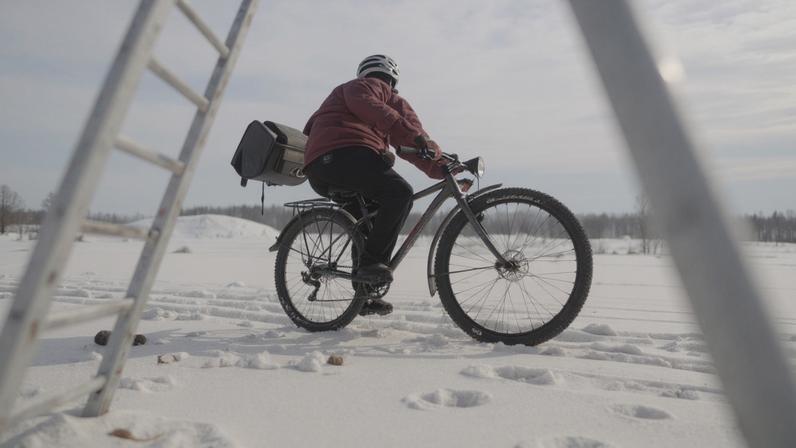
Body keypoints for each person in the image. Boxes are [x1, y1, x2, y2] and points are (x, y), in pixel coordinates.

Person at [302, 55, 446, 316]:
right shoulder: (363, 87)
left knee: (370, 225)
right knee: (399, 192)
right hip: (338, 156)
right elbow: (374, 109)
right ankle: (372, 265)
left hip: (328, 167)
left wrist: (441, 166)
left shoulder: (393, 105)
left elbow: (412, 140)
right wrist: (415, 136)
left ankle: (364, 293)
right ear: (390, 78)